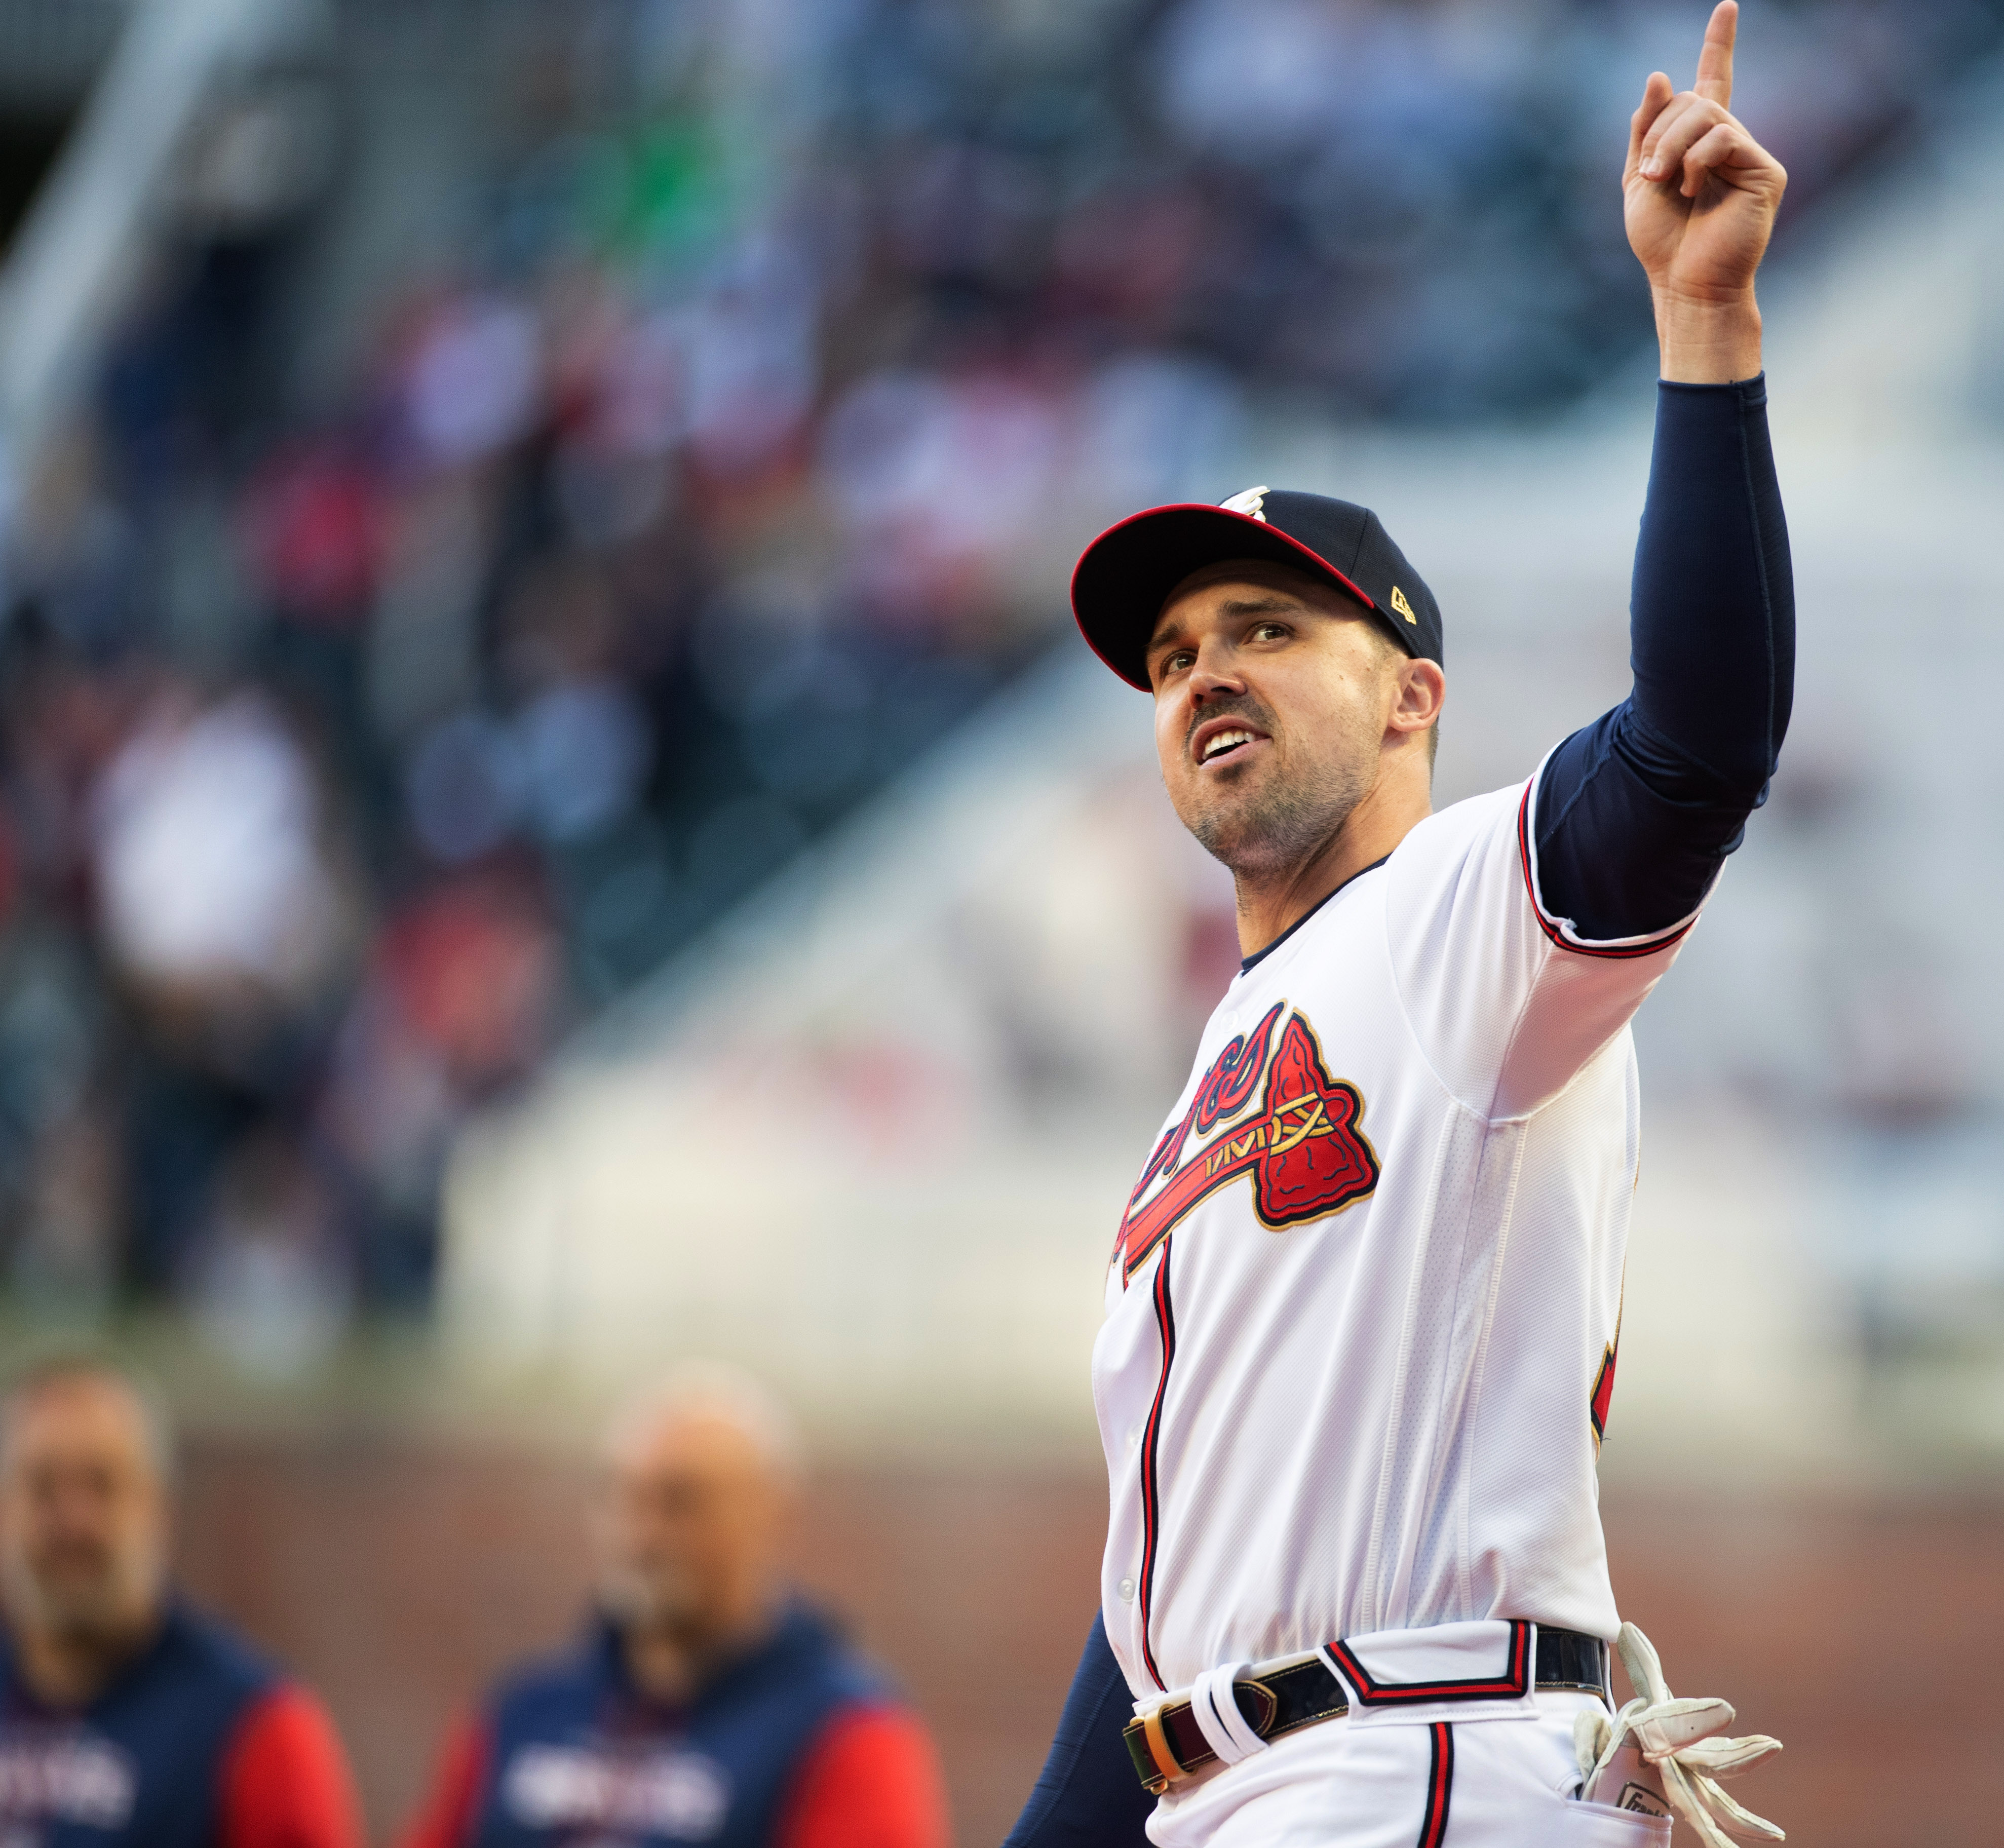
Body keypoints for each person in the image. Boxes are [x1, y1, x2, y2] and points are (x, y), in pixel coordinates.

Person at [1005, 7, 1793, 1844]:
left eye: (1269, 631)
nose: (1204, 672)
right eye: (1175, 651)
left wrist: (1705, 330)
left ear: (1414, 699)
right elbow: (1154, 1623)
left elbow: (1691, 749)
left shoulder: (1453, 925)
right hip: (1239, 1778)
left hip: (1412, 1754)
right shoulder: (1222, 1056)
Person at [401, 1366, 950, 1848]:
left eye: (681, 1502)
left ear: (770, 1512)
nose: (641, 1535)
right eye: (622, 1496)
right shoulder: (521, 1713)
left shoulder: (843, 1731)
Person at [0, 1358, 364, 1848]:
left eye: (101, 1486)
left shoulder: (255, 1728)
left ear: (158, 1509)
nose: (74, 1522)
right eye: (44, 1488)